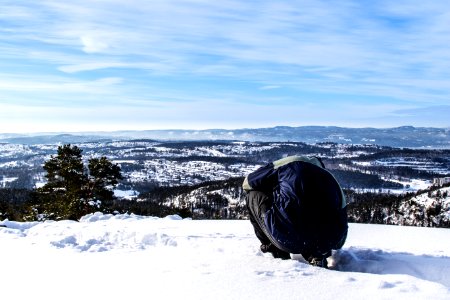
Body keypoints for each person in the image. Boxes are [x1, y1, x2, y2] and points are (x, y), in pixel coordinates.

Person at [243, 155, 348, 268]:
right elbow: (342, 218)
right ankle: (317, 255)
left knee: (252, 195)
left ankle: (274, 249)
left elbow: (247, 183)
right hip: (328, 242)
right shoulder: (331, 179)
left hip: (286, 237)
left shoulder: (290, 163)